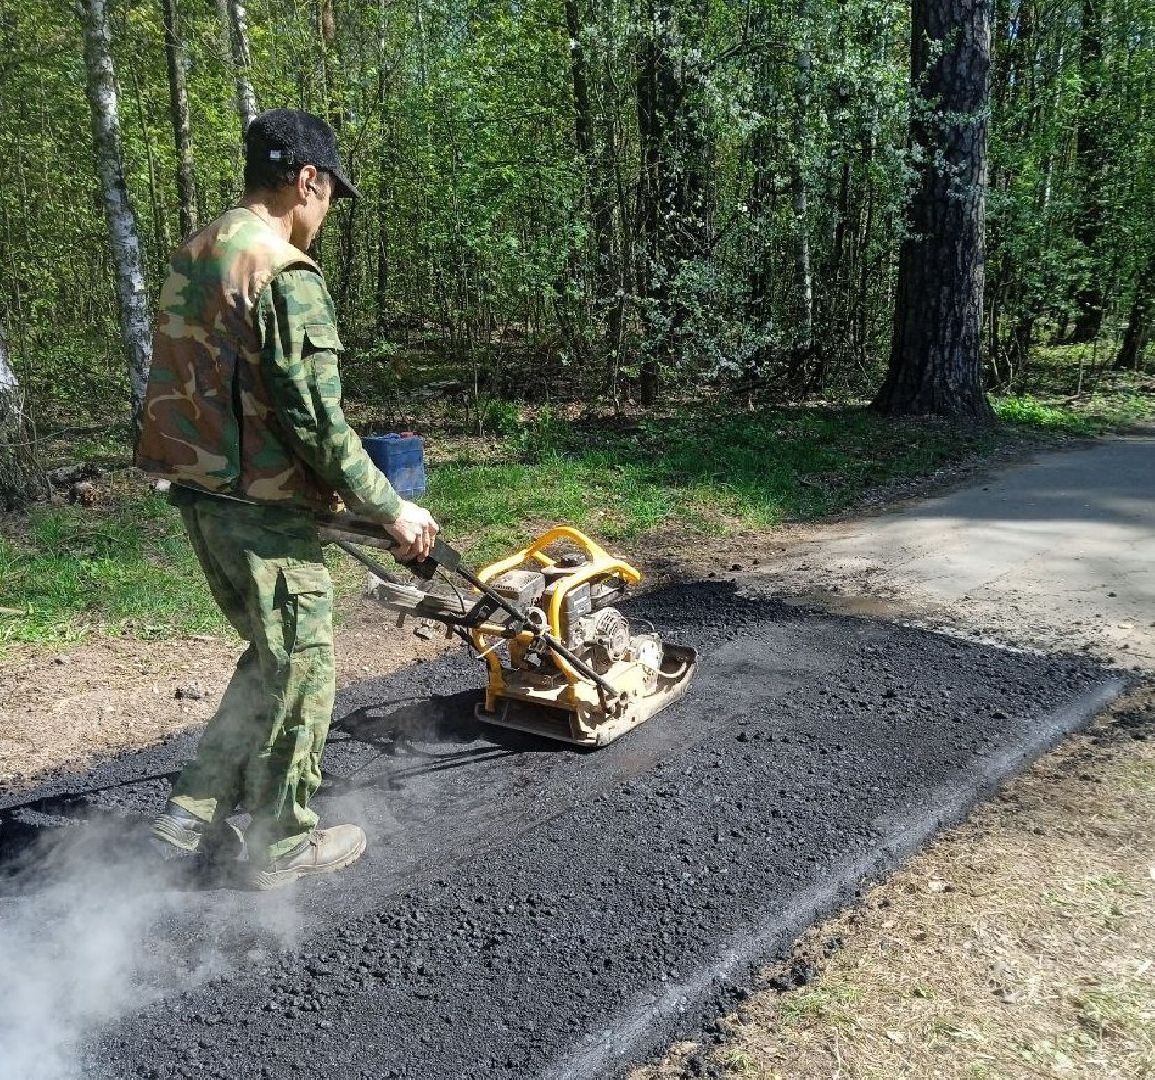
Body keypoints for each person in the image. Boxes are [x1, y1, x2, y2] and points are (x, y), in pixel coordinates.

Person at [136, 109, 438, 889]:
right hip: (263, 513)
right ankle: (281, 846)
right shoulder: (282, 272)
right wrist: (391, 508)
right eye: (330, 194)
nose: (327, 211)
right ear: (307, 180)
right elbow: (316, 422)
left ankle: (192, 813)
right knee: (303, 669)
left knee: (271, 658)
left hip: (203, 498)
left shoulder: (198, 252)